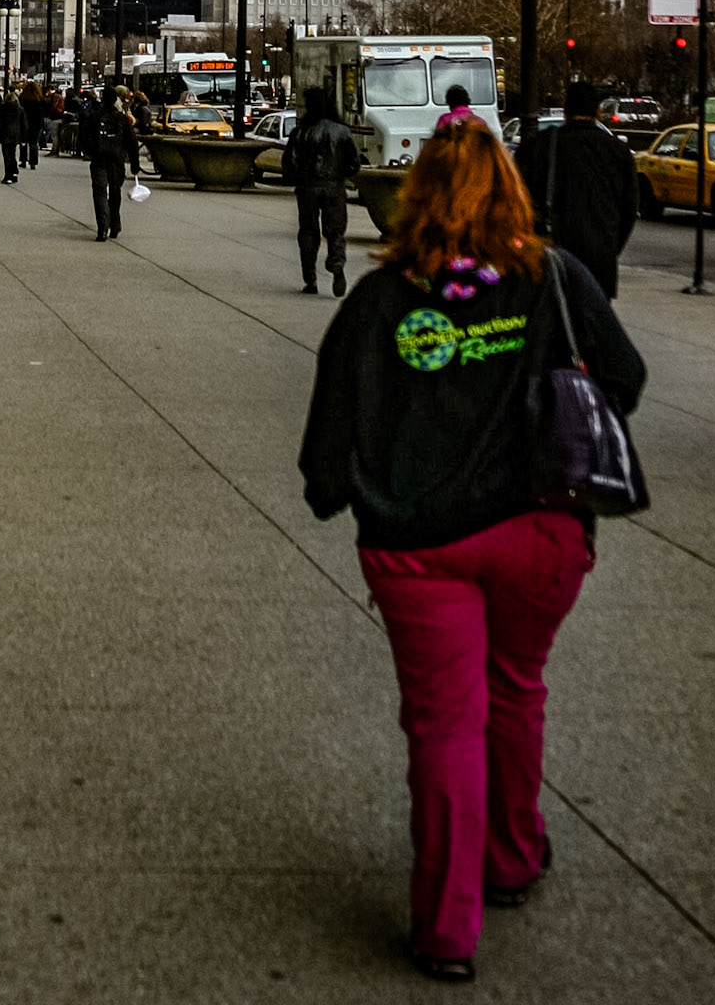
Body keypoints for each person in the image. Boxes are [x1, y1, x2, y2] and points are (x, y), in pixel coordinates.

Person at [299, 121, 645, 984]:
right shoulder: (552, 280)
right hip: (540, 528)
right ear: (512, 191)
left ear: (414, 194)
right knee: (516, 686)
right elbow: (626, 379)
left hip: (418, 544)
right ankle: (512, 856)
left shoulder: (382, 300)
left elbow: (330, 427)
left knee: (443, 722)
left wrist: (335, 490)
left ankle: (446, 928)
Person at [518, 80, 638, 299]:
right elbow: (629, 211)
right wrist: (610, 247)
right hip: (600, 261)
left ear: (565, 110)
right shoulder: (619, 152)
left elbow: (519, 202)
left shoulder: (540, 146)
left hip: (552, 258)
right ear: (598, 112)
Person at [282, 85, 360, 296]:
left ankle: (311, 279)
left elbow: (289, 163)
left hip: (307, 187)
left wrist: (298, 178)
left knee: (308, 230)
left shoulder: (300, 132)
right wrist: (341, 174)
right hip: (334, 187)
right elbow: (354, 164)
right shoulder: (341, 132)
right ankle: (336, 262)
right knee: (336, 231)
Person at [78, 83, 142, 240]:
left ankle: (102, 226)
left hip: (99, 159)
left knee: (99, 192)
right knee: (115, 192)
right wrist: (135, 164)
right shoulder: (121, 118)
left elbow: (84, 137)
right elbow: (132, 142)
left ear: (102, 99)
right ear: (115, 99)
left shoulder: (95, 117)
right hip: (116, 159)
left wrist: (90, 152)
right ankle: (115, 224)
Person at [0, 90, 25, 183]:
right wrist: (24, 139)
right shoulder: (20, 109)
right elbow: (24, 125)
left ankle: (8, 175)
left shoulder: (3, 109)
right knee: (12, 154)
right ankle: (14, 173)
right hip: (15, 134)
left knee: (7, 156)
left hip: (5, 133)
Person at [19, 82, 46, 169]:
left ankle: (23, 160)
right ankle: (33, 162)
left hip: (25, 123)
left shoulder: (22, 98)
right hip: (35, 124)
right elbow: (42, 113)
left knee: (23, 142)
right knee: (33, 143)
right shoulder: (39, 100)